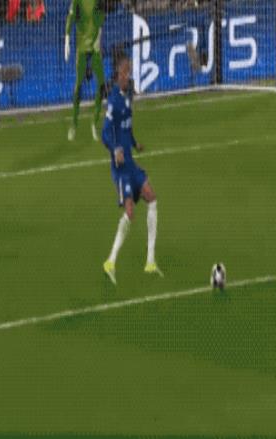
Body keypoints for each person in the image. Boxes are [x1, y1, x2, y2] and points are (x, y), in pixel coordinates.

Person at [101, 57, 162, 285]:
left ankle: (150, 261)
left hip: (131, 164)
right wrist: (115, 149)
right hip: (121, 170)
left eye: (130, 71)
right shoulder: (114, 101)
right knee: (129, 212)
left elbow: (127, 128)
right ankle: (110, 261)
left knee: (152, 198)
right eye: (126, 71)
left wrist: (135, 143)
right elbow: (105, 132)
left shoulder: (127, 97)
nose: (129, 75)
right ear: (118, 74)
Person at [65, 0, 106, 142]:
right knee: (78, 85)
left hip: (95, 49)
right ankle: (74, 124)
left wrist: (99, 41)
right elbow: (70, 17)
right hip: (82, 49)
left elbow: (100, 21)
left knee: (102, 85)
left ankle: (94, 122)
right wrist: (67, 39)